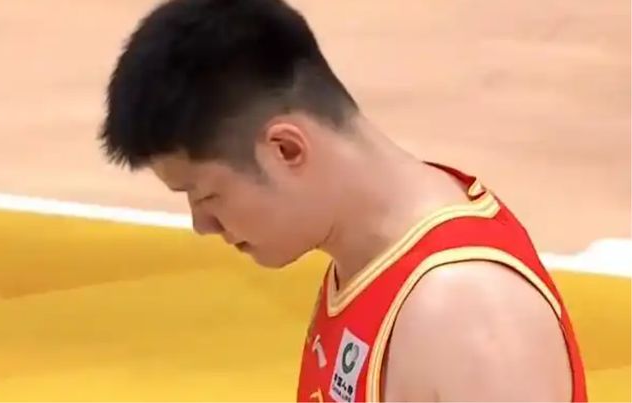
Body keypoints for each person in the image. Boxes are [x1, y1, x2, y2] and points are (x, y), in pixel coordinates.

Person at [98, 0, 586, 401]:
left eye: (207, 195)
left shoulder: (464, 313)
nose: (203, 224)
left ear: (286, 149)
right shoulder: (369, 256)